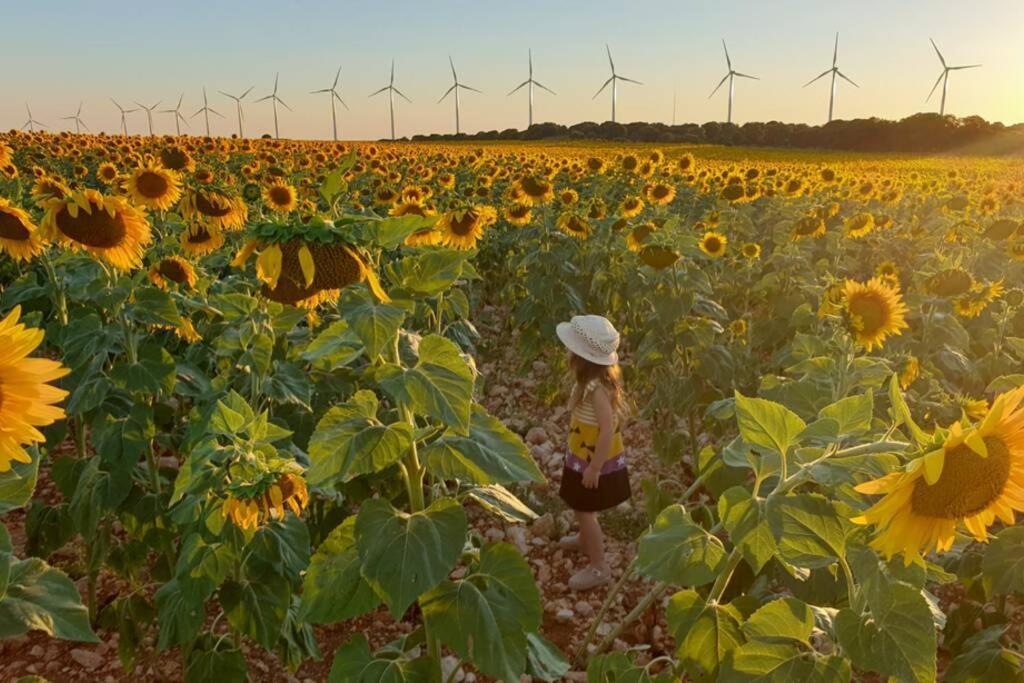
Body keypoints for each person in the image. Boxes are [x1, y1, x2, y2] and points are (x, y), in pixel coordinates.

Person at [554, 314, 631, 591]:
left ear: (582, 358)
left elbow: (607, 430)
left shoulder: (598, 391)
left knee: (586, 510)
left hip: (592, 460)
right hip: (581, 455)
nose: (567, 352)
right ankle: (585, 539)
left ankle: (599, 566)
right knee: (580, 504)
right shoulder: (588, 385)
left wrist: (595, 467)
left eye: (570, 349)